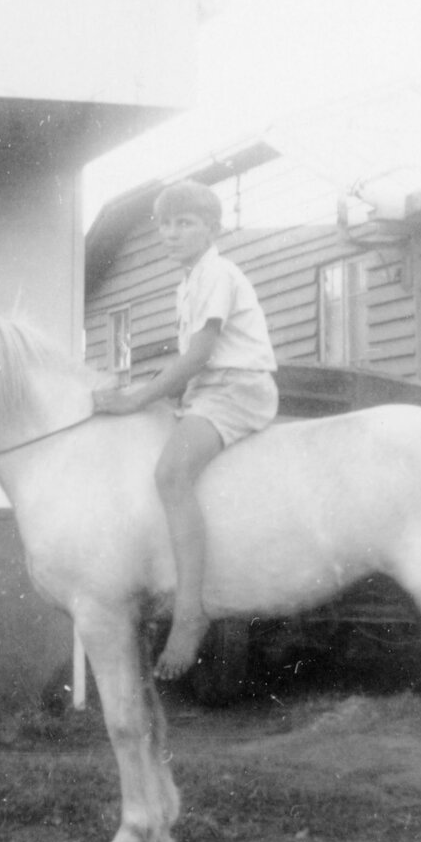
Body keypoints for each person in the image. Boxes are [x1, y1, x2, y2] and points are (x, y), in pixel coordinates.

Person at [92, 181, 278, 680]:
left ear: (212, 229)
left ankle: (191, 610)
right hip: (209, 391)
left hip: (237, 389)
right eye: (165, 225)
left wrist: (137, 397)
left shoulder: (217, 273)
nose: (171, 234)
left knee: (172, 474)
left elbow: (198, 355)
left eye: (185, 224)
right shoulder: (190, 281)